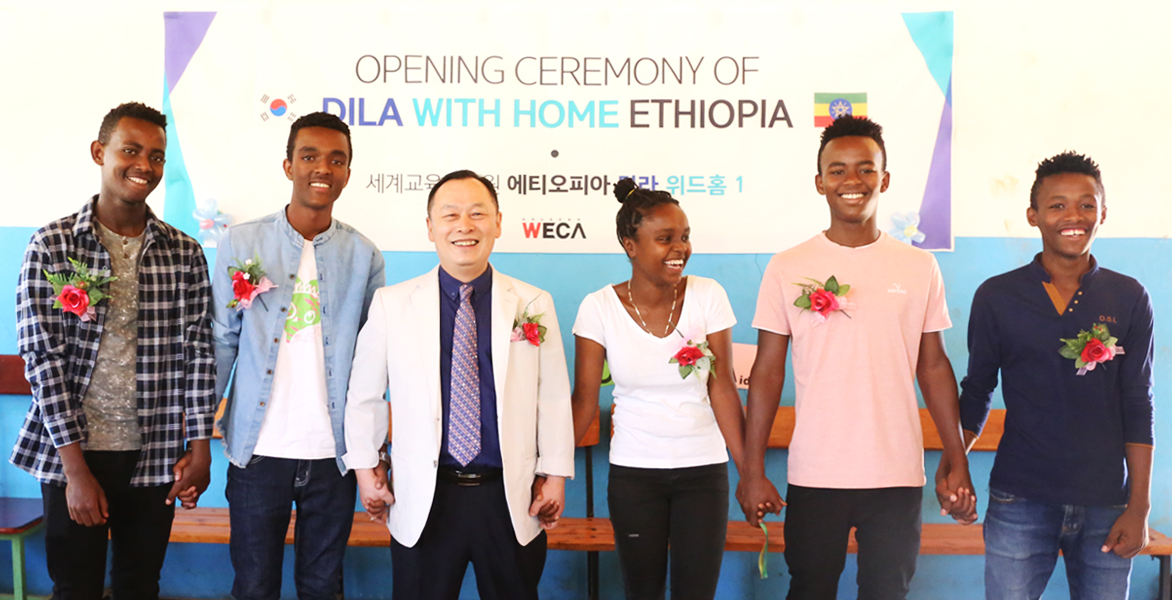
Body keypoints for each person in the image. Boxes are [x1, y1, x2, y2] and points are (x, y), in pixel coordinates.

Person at [736, 115, 976, 599]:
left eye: (866, 169)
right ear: (819, 181)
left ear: (884, 179)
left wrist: (957, 456)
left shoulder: (919, 266)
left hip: (896, 474)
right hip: (815, 473)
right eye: (838, 169)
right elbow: (767, 372)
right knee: (810, 590)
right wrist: (752, 470)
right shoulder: (787, 267)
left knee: (887, 592)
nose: (853, 180)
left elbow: (933, 366)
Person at [12, 101, 215, 599]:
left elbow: (198, 353)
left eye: (156, 156)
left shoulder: (184, 253)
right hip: (74, 453)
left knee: (140, 584)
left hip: (155, 452)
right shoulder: (53, 245)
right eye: (130, 150)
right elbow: (42, 361)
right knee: (74, 586)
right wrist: (74, 471)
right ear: (99, 152)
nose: (144, 165)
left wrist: (200, 448)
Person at [344, 170, 574, 600]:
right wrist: (364, 468)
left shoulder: (533, 303)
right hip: (425, 495)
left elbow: (554, 397)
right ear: (430, 227)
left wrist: (555, 474)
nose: (464, 225)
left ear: (498, 223)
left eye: (477, 214)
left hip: (508, 495)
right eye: (450, 215)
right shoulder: (393, 304)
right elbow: (364, 396)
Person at [959, 151, 1153, 599]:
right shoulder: (997, 296)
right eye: (1057, 205)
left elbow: (1138, 402)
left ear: (1103, 213)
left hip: (1107, 501)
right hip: (1020, 499)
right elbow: (978, 389)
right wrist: (956, 461)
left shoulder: (1128, 296)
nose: (1074, 216)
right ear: (1033, 215)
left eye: (1087, 205)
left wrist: (1139, 506)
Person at [212, 111, 385, 600]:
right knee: (253, 585)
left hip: (333, 455)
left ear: (347, 173)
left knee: (322, 586)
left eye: (336, 160)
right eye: (309, 156)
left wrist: (373, 451)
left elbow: (371, 364)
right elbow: (222, 340)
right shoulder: (242, 242)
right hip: (257, 450)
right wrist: (196, 433)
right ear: (288, 165)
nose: (322, 168)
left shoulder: (364, 256)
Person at [570, 178, 745, 600]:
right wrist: (549, 474)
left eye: (684, 237)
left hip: (703, 471)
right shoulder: (599, 307)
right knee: (642, 591)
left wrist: (750, 474)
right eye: (665, 239)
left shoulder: (707, 295)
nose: (680, 248)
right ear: (630, 245)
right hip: (634, 474)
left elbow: (723, 388)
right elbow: (584, 402)